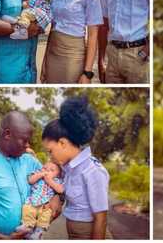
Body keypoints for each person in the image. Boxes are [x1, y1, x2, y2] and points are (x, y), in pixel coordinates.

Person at [0, 111, 60, 239]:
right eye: (24, 140)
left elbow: (52, 180)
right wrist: (2, 239)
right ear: (7, 134)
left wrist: (56, 197)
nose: (28, 145)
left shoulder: (30, 161)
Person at [41, 96, 109, 239]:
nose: (50, 157)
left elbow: (101, 219)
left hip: (88, 232)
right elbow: (64, 192)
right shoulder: (68, 168)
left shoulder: (93, 170)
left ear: (62, 143)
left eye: (50, 151)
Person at [17, 161, 64, 239]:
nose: (47, 171)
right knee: (27, 210)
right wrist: (41, 174)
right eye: (45, 168)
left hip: (46, 205)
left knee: (45, 217)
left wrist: (49, 180)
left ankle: (39, 232)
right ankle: (27, 227)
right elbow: (30, 180)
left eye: (52, 170)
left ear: (58, 175)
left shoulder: (56, 181)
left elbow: (60, 190)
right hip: (33, 201)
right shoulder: (37, 175)